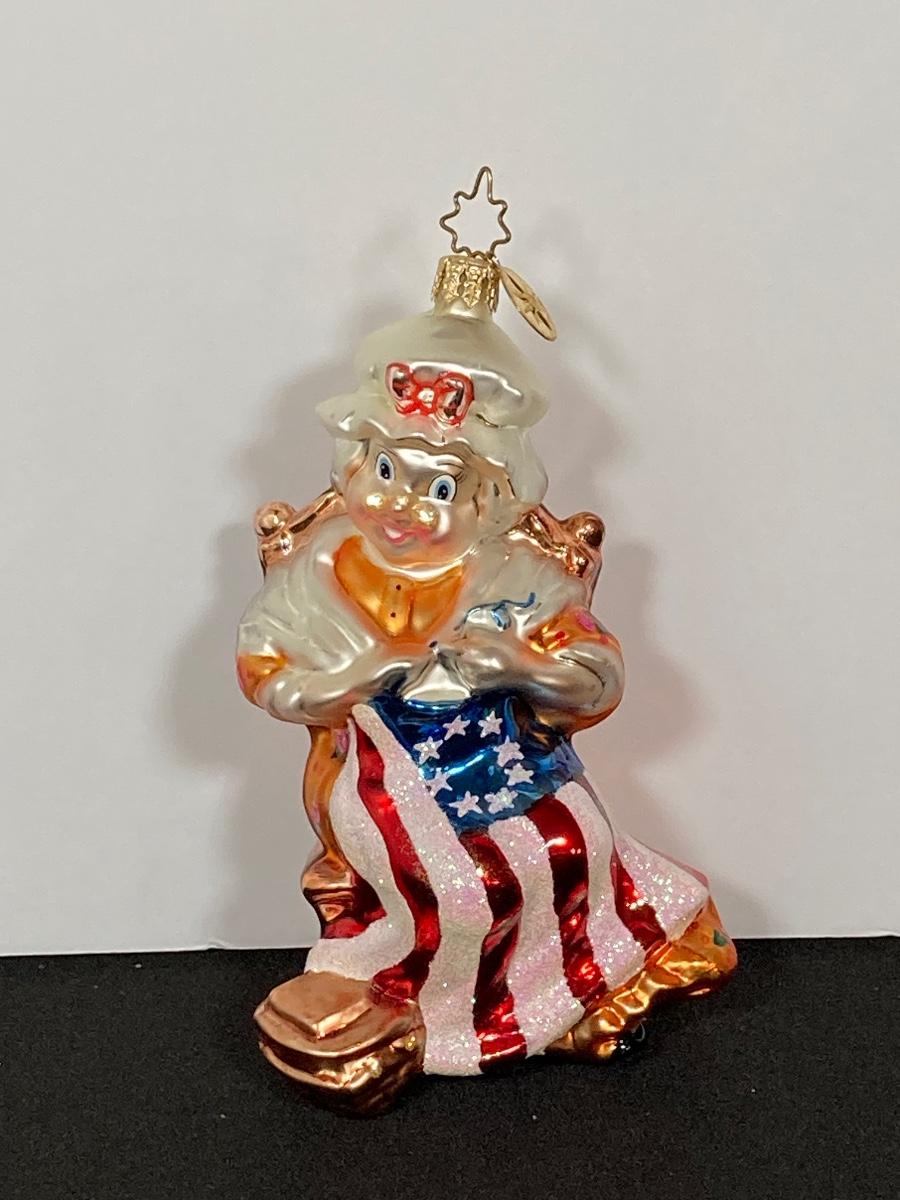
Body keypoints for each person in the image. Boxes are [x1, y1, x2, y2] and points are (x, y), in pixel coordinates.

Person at [237, 266, 736, 1112]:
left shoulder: (520, 574)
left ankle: (552, 997)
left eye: (439, 488)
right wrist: (344, 682)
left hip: (503, 771)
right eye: (384, 470)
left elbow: (596, 676)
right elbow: (264, 669)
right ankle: (446, 1013)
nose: (399, 506)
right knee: (463, 890)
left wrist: (519, 668)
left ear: (490, 496)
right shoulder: (320, 568)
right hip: (375, 783)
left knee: (570, 852)